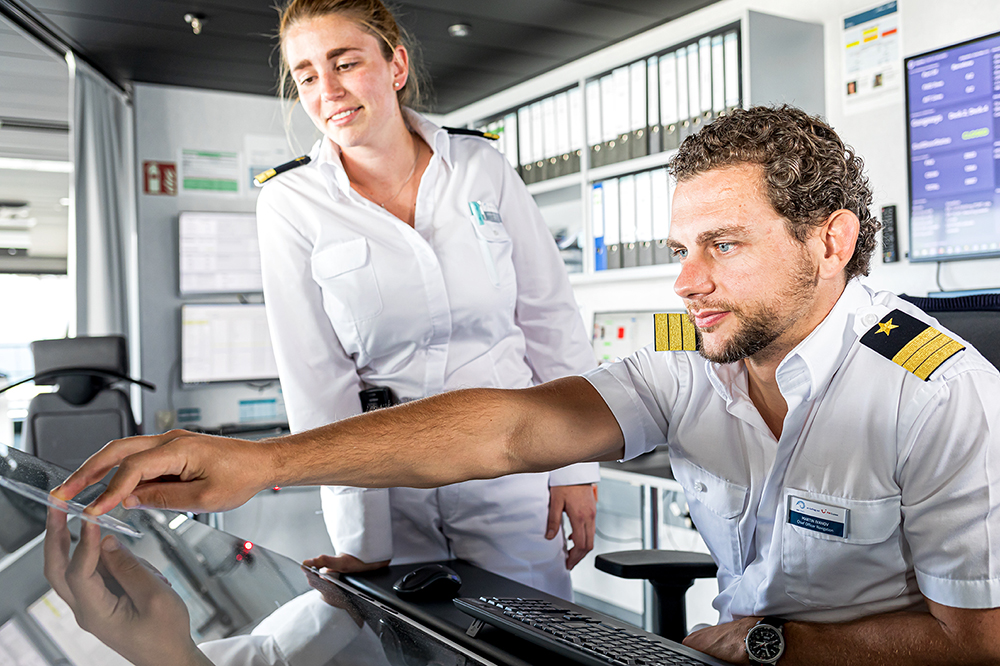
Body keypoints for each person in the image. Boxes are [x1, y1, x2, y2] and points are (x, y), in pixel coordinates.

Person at [56, 105, 1000, 665]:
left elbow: (977, 642)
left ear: (830, 241)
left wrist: (768, 644)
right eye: (679, 249)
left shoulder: (938, 391)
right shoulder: (697, 368)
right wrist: (264, 465)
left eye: (723, 245)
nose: (685, 281)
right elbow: (505, 431)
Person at [253, 0, 599, 597]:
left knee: (531, 641)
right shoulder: (290, 202)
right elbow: (316, 378)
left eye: (345, 63)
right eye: (307, 75)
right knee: (417, 647)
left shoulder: (481, 165)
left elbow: (550, 321)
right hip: (388, 481)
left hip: (512, 465)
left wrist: (574, 465)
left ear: (396, 65)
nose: (328, 90)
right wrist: (359, 538)